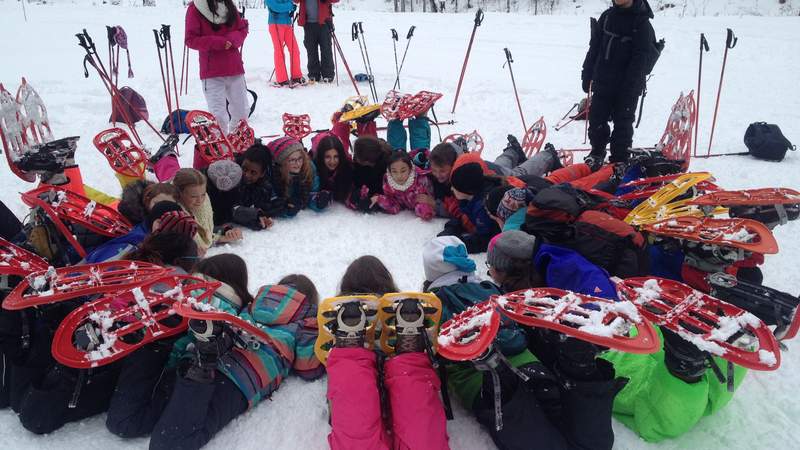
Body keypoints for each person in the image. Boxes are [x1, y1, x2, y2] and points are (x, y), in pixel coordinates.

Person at [423, 236, 624, 450]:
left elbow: (432, 354)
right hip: (530, 364)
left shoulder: (432, 304)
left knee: (535, 438)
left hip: (484, 384)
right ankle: (580, 367)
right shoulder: (489, 288)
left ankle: (495, 366)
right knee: (575, 427)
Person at [105, 254, 323, 449]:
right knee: (172, 444)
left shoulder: (251, 306)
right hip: (241, 379)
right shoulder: (307, 318)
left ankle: (162, 347)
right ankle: (202, 365)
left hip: (196, 358)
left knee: (124, 423)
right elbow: (308, 368)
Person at [325, 255, 450, 449]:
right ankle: (408, 346)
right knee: (413, 381)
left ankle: (351, 342)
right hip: (398, 370)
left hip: (360, 377)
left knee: (350, 380)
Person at [581, 0, 657, 170]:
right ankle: (597, 153)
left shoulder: (642, 24)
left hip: (627, 86)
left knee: (623, 124)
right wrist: (587, 73)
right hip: (603, 81)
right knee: (596, 120)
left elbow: (641, 61)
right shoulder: (607, 17)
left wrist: (630, 87)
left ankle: (619, 160)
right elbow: (594, 48)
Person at [185, 0, 250, 134]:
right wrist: (218, 42)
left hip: (234, 68)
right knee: (218, 118)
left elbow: (242, 28)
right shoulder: (195, 8)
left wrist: (231, 40)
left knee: (242, 113)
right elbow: (190, 40)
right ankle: (222, 150)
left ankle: (238, 144)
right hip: (211, 72)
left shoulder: (228, 5)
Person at [172, 168, 242, 253]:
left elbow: (206, 233)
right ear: (179, 194)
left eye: (203, 194)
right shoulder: (173, 215)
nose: (200, 200)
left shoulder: (204, 202)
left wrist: (226, 234)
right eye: (193, 196)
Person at [268, 137, 330, 216]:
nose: (297, 163)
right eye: (292, 160)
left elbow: (312, 192)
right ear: (282, 162)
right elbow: (271, 202)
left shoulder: (309, 168)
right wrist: (283, 209)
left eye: (300, 158)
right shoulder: (273, 175)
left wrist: (318, 201)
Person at [373, 151, 435, 220]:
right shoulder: (388, 182)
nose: (399, 176)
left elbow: (431, 197)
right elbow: (394, 205)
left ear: (410, 169)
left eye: (403, 171)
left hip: (420, 203)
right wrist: (379, 199)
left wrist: (427, 208)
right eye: (394, 171)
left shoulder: (421, 180)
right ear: (390, 171)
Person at [292, 0, 337, 82]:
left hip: (324, 23)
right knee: (311, 50)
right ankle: (313, 74)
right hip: (308, 23)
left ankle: (328, 74)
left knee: (326, 49)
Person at [348, 136, 391, 213]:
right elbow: (356, 181)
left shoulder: (387, 165)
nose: (355, 157)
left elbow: (387, 189)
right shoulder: (358, 163)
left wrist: (375, 197)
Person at [266, 0, 304, 86]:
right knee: (279, 51)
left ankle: (296, 76)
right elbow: (276, 7)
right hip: (275, 23)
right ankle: (281, 79)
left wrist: (292, 6)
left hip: (287, 24)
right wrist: (290, 6)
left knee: (295, 50)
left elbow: (293, 3)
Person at [312, 132, 354, 203]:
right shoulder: (315, 169)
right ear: (321, 157)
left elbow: (349, 191)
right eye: (327, 157)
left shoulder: (347, 168)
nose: (332, 161)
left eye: (336, 157)